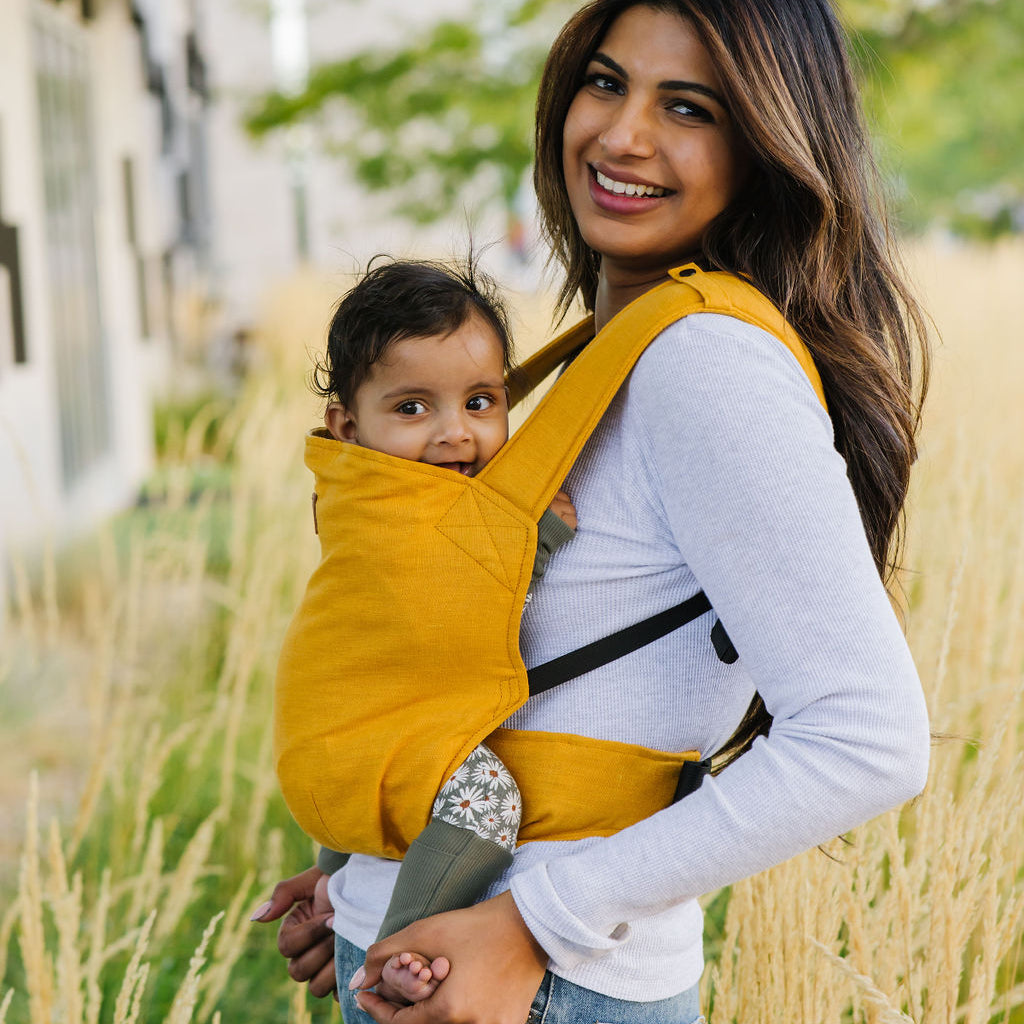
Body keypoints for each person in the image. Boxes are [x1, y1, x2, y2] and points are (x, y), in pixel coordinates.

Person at [252, 1, 932, 1021]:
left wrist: (533, 922)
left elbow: (868, 737)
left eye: (688, 107)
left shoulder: (705, 364)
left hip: (551, 985)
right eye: (606, 83)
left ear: (763, 145)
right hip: (442, 955)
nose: (622, 134)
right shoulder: (607, 350)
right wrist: (366, 871)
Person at [270, 256, 577, 1005]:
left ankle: (343, 884)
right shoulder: (394, 507)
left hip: (340, 737)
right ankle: (404, 941)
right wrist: (540, 538)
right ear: (348, 426)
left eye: (481, 402)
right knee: (487, 798)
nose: (455, 435)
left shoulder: (351, 491)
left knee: (372, 793)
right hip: (354, 735)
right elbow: (460, 589)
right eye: (412, 409)